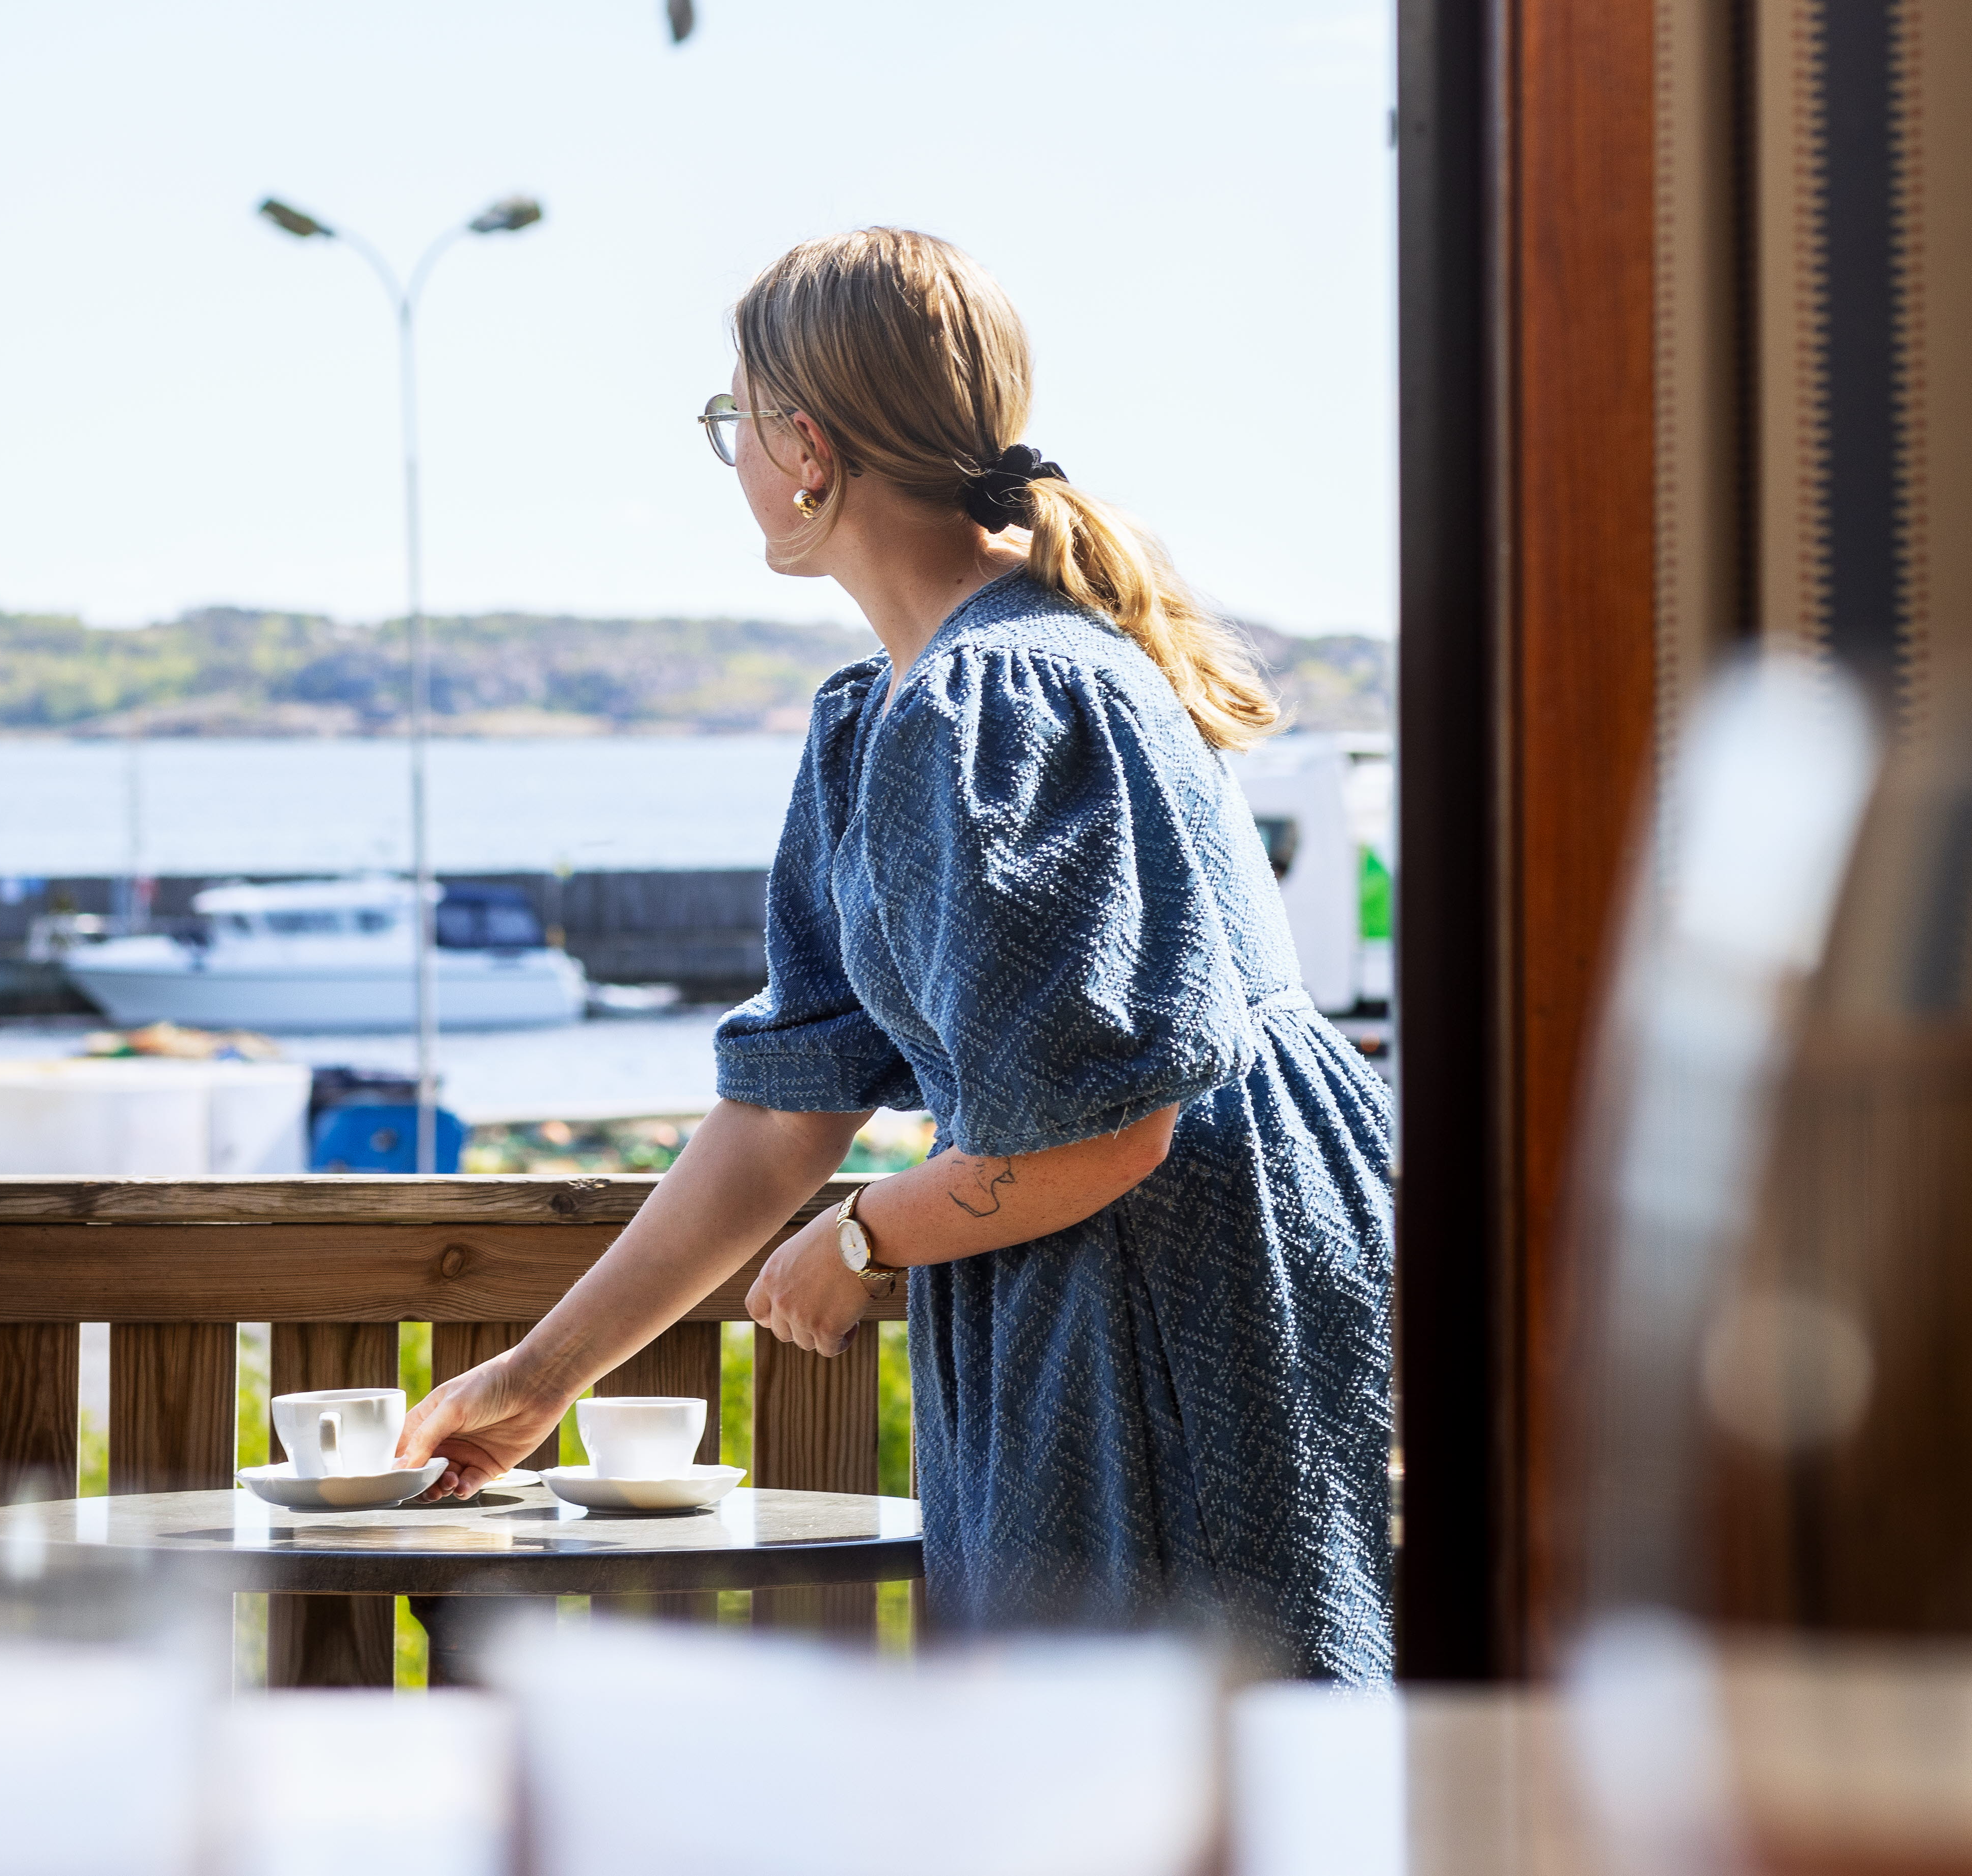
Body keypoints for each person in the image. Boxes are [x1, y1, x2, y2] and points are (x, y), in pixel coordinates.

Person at [395, 228, 1394, 1676]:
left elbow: (1100, 1138)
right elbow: (785, 1104)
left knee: (1139, 1761)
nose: (731, 452)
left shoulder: (995, 698)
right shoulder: (899, 710)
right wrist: (536, 1376)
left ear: (807, 444)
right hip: (1155, 1263)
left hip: (1157, 1286)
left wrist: (862, 1237)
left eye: (732, 419)